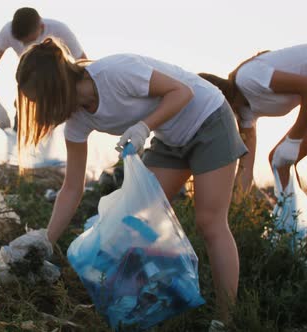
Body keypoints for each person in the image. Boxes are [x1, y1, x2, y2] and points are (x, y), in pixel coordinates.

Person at [15, 37, 247, 329]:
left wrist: (143, 127)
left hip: (208, 118)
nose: (42, 112)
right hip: (171, 139)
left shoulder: (115, 72)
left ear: (54, 88)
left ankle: (226, 319)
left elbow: (182, 92)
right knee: (133, 221)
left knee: (209, 221)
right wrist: (46, 240)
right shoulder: (77, 120)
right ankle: (154, 299)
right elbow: (72, 188)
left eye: (41, 102)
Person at [199, 42, 307, 286]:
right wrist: (232, 212)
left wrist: (295, 138)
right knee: (277, 159)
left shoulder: (249, 79)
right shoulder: (244, 113)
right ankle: (298, 228)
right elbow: (245, 167)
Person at [0, 7, 86, 130]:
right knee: (18, 138)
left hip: (56, 91)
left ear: (41, 27)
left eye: (30, 41)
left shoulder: (60, 30)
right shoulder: (7, 31)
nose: (26, 46)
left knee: (56, 138)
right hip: (29, 89)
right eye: (22, 42)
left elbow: (83, 63)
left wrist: (80, 99)